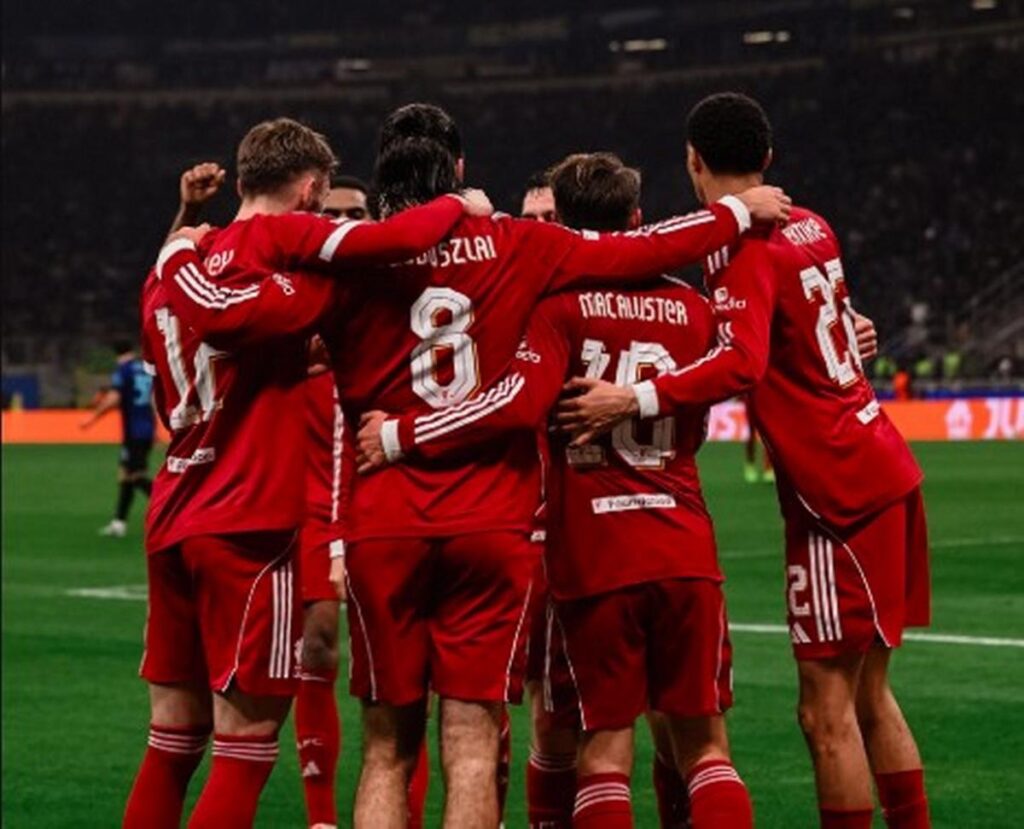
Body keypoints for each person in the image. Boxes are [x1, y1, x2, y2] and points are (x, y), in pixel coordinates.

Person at [168, 101, 791, 828]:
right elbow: (638, 251)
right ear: (460, 170)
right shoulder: (517, 242)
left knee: (387, 750)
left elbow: (246, 316)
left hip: (385, 523)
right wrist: (737, 212)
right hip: (492, 525)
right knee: (469, 743)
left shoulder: (350, 262)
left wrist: (183, 241)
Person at [554, 93, 931, 829]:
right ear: (769, 157)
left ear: (693, 161)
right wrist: (852, 330)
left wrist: (632, 396)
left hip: (837, 490)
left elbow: (742, 361)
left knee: (825, 712)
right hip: (883, 459)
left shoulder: (737, 247)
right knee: (868, 695)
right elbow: (819, 322)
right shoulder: (811, 222)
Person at [356, 151, 756, 829]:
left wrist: (403, 432)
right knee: (705, 746)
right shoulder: (694, 310)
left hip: (592, 549)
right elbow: (739, 367)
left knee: (600, 748)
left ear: (566, 227)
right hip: (683, 538)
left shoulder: (553, 308)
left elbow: (514, 402)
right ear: (637, 216)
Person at [124, 117, 478, 829]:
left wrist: (182, 228)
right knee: (246, 746)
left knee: (171, 742)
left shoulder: (177, 267)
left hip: (174, 510)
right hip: (246, 523)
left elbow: (184, 364)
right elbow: (381, 253)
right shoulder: (288, 271)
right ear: (312, 190)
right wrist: (457, 204)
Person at [81, 340, 156, 537]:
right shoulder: (144, 369)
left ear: (116, 353)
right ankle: (119, 523)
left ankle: (171, 506)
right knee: (125, 475)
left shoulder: (123, 370)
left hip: (133, 432)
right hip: (146, 429)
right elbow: (153, 399)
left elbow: (114, 399)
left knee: (136, 476)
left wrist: (92, 418)